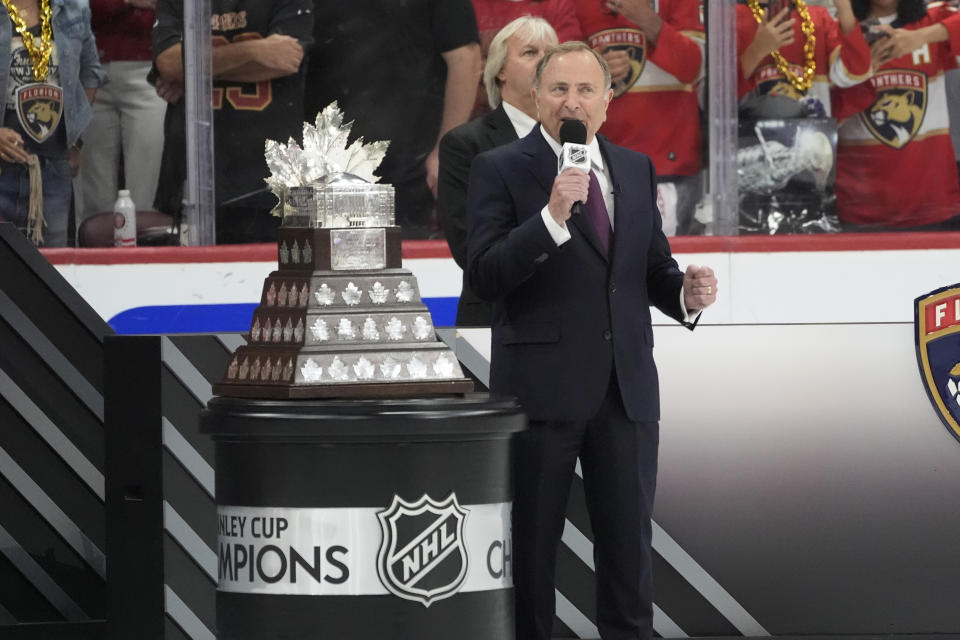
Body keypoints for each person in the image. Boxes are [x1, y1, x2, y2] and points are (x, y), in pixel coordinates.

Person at [466, 42, 717, 640]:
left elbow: (650, 269)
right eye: (558, 90)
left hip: (625, 392)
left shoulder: (633, 167)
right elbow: (486, 274)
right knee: (531, 550)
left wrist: (685, 292)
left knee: (629, 552)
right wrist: (550, 218)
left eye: (584, 91)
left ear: (608, 101)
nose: (570, 102)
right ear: (535, 96)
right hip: (541, 393)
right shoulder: (501, 168)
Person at [304, 0, 480, 238]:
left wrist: (445, 149)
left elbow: (465, 58)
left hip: (406, 169)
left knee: (401, 268)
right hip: (322, 166)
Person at [152, 0, 313, 244]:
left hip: (270, 177)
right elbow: (169, 64)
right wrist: (256, 52)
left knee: (273, 277)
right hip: (195, 176)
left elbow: (285, 58)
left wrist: (194, 71)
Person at [438, 16, 558, 327]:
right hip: (498, 320)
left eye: (552, 54)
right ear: (500, 69)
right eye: (530, 53)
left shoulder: (583, 143)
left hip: (573, 325)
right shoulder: (466, 145)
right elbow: (470, 248)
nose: (545, 62)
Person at [574, 0, 706, 236]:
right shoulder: (578, 5)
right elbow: (558, 76)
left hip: (673, 163)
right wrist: (593, 67)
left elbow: (693, 67)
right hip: (602, 163)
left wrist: (647, 20)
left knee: (671, 264)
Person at [834, 0, 960, 229]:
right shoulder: (836, 30)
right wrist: (862, 70)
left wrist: (921, 37)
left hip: (934, 205)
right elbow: (826, 120)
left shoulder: (934, 18)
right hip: (861, 211)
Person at [0, 0, 104, 247]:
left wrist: (75, 139)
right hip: (3, 169)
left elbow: (90, 73)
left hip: (54, 168)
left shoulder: (73, 9)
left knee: (53, 272)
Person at [77, 0, 166, 231]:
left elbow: (173, 7)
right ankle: (94, 257)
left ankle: (149, 256)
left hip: (151, 69)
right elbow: (78, 8)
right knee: (93, 193)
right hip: (88, 66)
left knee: (149, 190)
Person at [737, 0, 871, 119]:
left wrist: (845, 9)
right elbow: (720, 95)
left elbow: (854, 72)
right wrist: (756, 51)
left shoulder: (819, 19)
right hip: (750, 142)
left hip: (814, 141)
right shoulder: (732, 18)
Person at [469, 0, 582, 117]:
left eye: (549, 53)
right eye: (530, 53)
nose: (543, 60)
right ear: (500, 70)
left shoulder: (576, 133)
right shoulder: (464, 135)